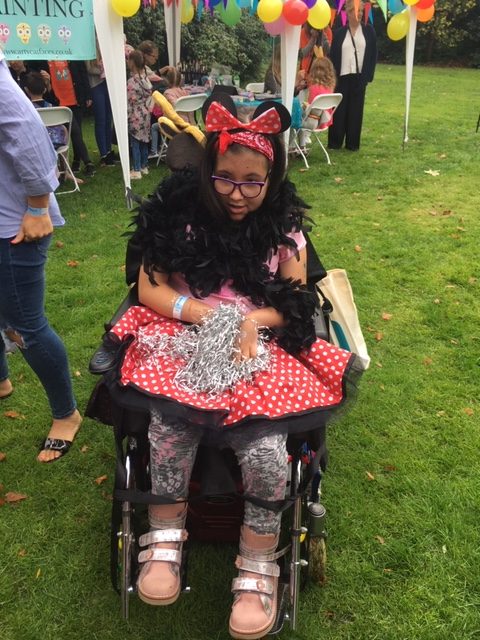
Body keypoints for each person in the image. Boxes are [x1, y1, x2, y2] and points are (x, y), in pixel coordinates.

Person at [105, 96, 361, 639]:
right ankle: (165, 539)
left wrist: (250, 321)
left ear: (271, 180)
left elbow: (296, 299)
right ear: (207, 173)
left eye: (252, 183)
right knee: (169, 425)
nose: (237, 194)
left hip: (258, 343)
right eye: (225, 179)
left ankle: (258, 562)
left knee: (265, 446)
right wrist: (203, 314)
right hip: (180, 330)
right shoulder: (177, 216)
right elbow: (149, 287)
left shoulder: (284, 227)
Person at [0, 49, 81, 463]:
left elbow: (30, 132)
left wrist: (37, 206)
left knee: (25, 326)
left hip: (13, 226)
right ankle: (2, 380)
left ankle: (66, 414)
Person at [327, 0, 377, 151]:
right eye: (357, 11)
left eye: (361, 11)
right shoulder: (339, 33)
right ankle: (335, 142)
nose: (360, 14)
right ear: (348, 13)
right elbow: (333, 56)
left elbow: (373, 55)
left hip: (359, 77)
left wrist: (368, 76)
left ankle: (352, 144)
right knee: (339, 110)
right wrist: (332, 78)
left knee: (356, 111)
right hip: (341, 77)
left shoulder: (369, 31)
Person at [47, 60, 96, 175]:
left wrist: (87, 95)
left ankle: (78, 161)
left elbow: (83, 75)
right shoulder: (46, 59)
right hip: (57, 103)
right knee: (63, 134)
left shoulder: (73, 57)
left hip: (75, 101)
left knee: (76, 132)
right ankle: (72, 165)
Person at [23, 71, 68, 149]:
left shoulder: (26, 110)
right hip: (57, 144)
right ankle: (62, 156)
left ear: (26, 90)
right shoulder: (55, 109)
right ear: (44, 90)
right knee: (64, 128)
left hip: (37, 146)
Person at [86, 46, 115, 166]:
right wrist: (105, 70)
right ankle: (103, 154)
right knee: (101, 119)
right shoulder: (89, 47)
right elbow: (89, 68)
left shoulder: (105, 45)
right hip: (96, 85)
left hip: (107, 84)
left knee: (108, 118)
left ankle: (109, 150)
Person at [127, 50, 153, 180]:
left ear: (132, 62)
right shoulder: (146, 79)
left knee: (135, 142)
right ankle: (144, 166)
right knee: (144, 140)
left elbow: (130, 99)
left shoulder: (132, 81)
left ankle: (136, 169)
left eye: (128, 59)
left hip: (135, 113)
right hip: (145, 112)